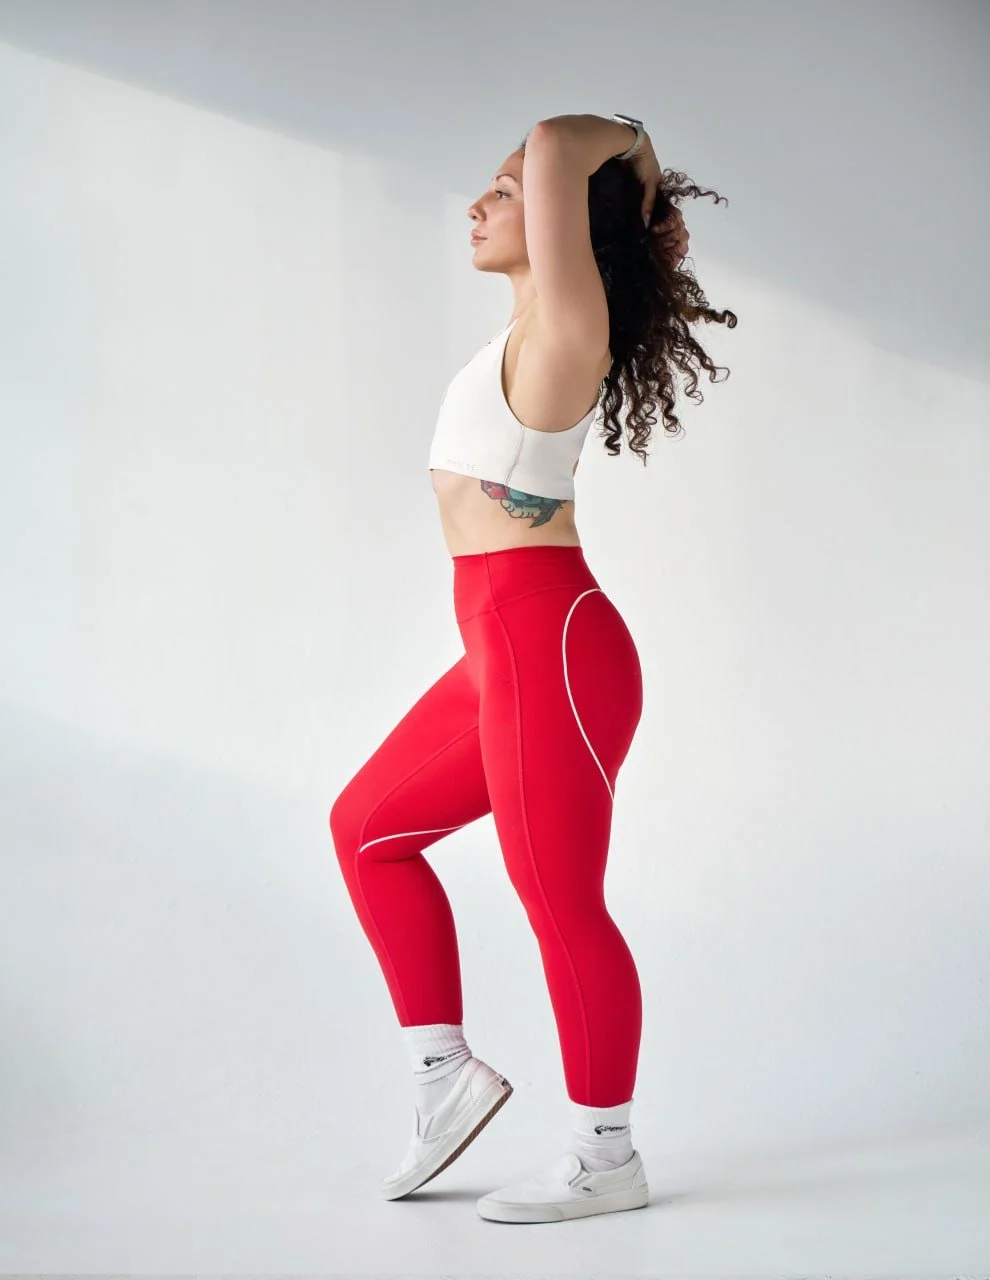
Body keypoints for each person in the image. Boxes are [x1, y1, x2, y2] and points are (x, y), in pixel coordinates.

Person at [329, 112, 735, 1223]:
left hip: (551, 646)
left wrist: (635, 160)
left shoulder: (566, 327)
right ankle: (442, 1072)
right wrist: (647, 206)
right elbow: (563, 165)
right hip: (502, 650)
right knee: (365, 827)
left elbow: (561, 138)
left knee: (561, 899)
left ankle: (609, 1151)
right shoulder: (519, 337)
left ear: (561, 219)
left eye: (505, 190)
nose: (482, 202)